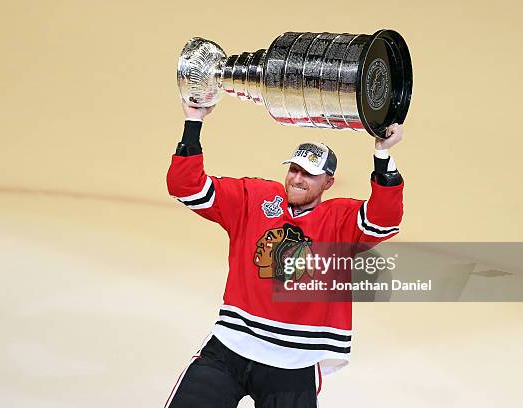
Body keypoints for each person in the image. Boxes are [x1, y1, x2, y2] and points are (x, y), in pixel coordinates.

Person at [164, 100, 404, 408]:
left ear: (328, 182)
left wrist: (382, 156)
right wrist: (193, 121)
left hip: (295, 361)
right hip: (231, 346)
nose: (297, 179)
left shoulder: (339, 220)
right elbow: (185, 186)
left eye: (309, 174)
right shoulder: (255, 198)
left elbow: (384, 219)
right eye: (294, 169)